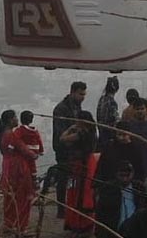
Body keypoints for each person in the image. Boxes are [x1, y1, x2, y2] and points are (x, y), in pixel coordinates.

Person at [0, 110, 38, 234]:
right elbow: (26, 151)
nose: (17, 119)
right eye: (15, 117)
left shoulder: (3, 134)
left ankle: (9, 223)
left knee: (10, 196)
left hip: (7, 167)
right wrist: (34, 155)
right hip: (18, 168)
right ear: (10, 120)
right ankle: (21, 226)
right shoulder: (12, 135)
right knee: (22, 197)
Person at [52, 81, 86, 218]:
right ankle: (61, 209)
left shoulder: (77, 107)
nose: (82, 97)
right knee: (63, 179)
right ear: (72, 92)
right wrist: (75, 135)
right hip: (63, 150)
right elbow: (60, 132)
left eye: (84, 94)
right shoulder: (61, 109)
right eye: (80, 94)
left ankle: (72, 206)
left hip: (76, 150)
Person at [61, 112, 97, 236]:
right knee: (79, 194)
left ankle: (80, 224)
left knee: (80, 195)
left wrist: (71, 128)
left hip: (82, 166)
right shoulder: (91, 132)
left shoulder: (83, 133)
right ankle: (82, 224)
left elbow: (63, 139)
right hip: (82, 165)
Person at [94, 161, 138, 238]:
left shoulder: (139, 189)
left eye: (127, 172)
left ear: (132, 173)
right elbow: (100, 214)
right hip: (113, 232)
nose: (125, 175)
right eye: (122, 172)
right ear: (116, 173)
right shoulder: (107, 189)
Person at [95, 123, 141, 190]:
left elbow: (139, 168)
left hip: (129, 186)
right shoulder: (110, 146)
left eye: (124, 135)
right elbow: (102, 165)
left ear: (129, 134)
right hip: (109, 184)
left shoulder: (135, 149)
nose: (121, 137)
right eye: (119, 134)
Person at [96, 77, 120, 148]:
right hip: (108, 135)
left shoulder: (101, 99)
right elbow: (115, 119)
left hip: (101, 132)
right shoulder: (112, 102)